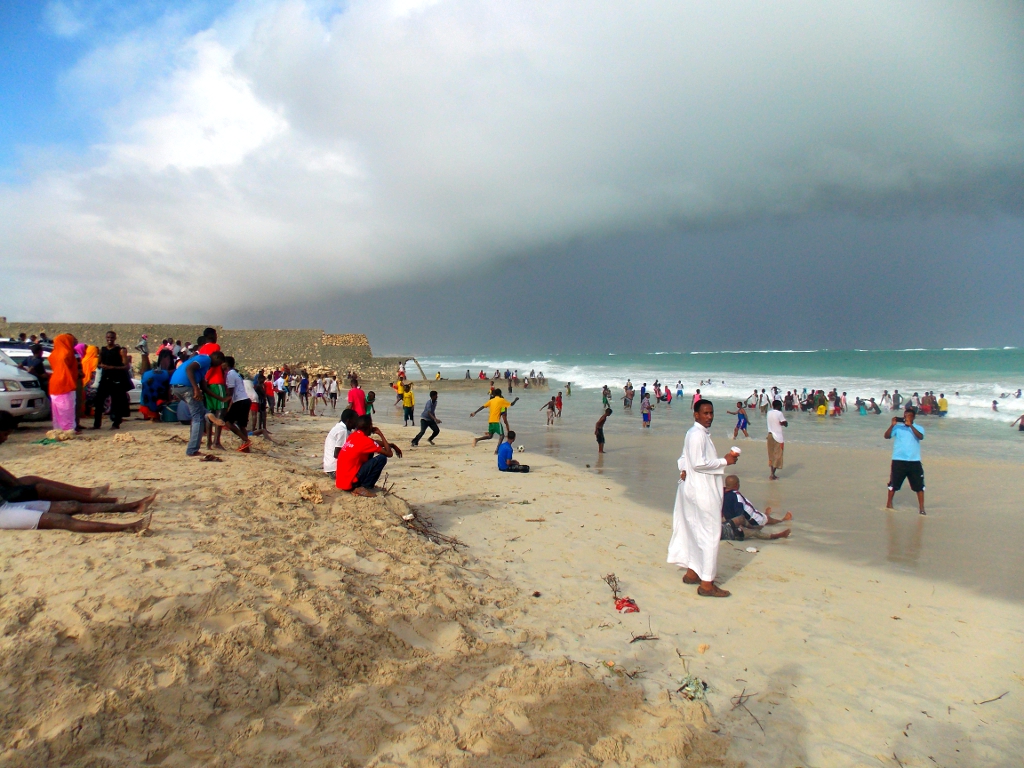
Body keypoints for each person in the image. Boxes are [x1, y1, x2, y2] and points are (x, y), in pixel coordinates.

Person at [666, 399, 739, 598]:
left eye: (711, 413)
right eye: (705, 413)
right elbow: (698, 464)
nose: (709, 417)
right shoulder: (697, 434)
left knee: (694, 529)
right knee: (710, 534)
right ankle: (706, 584)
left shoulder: (693, 434)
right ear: (696, 415)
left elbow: (684, 459)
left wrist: (683, 469)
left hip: (690, 490)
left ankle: (692, 572)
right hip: (702, 492)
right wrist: (726, 460)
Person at [169, 351, 229, 459]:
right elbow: (189, 369)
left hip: (176, 387)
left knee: (199, 410)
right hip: (186, 387)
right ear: (216, 357)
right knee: (198, 418)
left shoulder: (204, 366)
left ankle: (208, 414)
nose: (218, 365)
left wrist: (221, 398)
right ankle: (192, 450)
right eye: (219, 362)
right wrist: (195, 388)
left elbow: (204, 387)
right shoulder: (205, 359)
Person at [335, 415, 402, 497]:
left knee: (370, 452)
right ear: (369, 426)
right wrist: (380, 434)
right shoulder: (365, 441)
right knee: (382, 458)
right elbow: (389, 454)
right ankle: (365, 486)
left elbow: (375, 442)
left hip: (342, 482)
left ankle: (361, 484)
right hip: (351, 483)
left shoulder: (354, 436)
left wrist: (392, 445)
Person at [884, 406, 927, 515]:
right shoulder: (898, 428)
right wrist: (892, 425)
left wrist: (911, 426)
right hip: (898, 460)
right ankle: (889, 503)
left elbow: (920, 437)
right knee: (893, 483)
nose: (906, 417)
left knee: (919, 486)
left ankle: (921, 508)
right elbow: (886, 436)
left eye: (908, 416)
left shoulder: (918, 428)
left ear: (913, 417)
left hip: (914, 461)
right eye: (905, 415)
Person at [721, 476, 792, 540]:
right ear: (736, 485)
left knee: (761, 516)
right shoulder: (736, 495)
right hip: (753, 519)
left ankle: (765, 515)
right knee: (767, 519)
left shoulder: (722, 493)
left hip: (731, 519)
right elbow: (740, 514)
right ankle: (782, 520)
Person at [92, 331, 131, 430]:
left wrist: (112, 367)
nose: (110, 339)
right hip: (105, 379)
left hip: (116, 380)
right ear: (106, 337)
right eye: (108, 337)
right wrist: (102, 366)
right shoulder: (103, 350)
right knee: (99, 402)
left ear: (115, 338)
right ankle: (97, 424)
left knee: (117, 402)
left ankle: (116, 423)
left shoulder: (119, 350)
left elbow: (126, 366)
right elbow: (98, 363)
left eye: (112, 337)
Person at [47, 334, 80, 432]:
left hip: (54, 383)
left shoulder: (54, 354)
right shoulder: (67, 353)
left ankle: (58, 429)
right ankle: (68, 430)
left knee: (57, 410)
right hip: (65, 383)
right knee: (67, 409)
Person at [323, 409, 357, 478]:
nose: (357, 423)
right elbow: (337, 454)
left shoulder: (339, 427)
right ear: (349, 421)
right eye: (355, 420)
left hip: (329, 466)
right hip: (334, 468)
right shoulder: (342, 431)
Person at [766, 400, 787, 480]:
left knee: (771, 455)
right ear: (778, 406)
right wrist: (784, 423)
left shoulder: (769, 412)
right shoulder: (779, 413)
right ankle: (772, 475)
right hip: (778, 437)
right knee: (778, 456)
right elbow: (785, 423)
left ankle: (772, 473)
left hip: (770, 435)